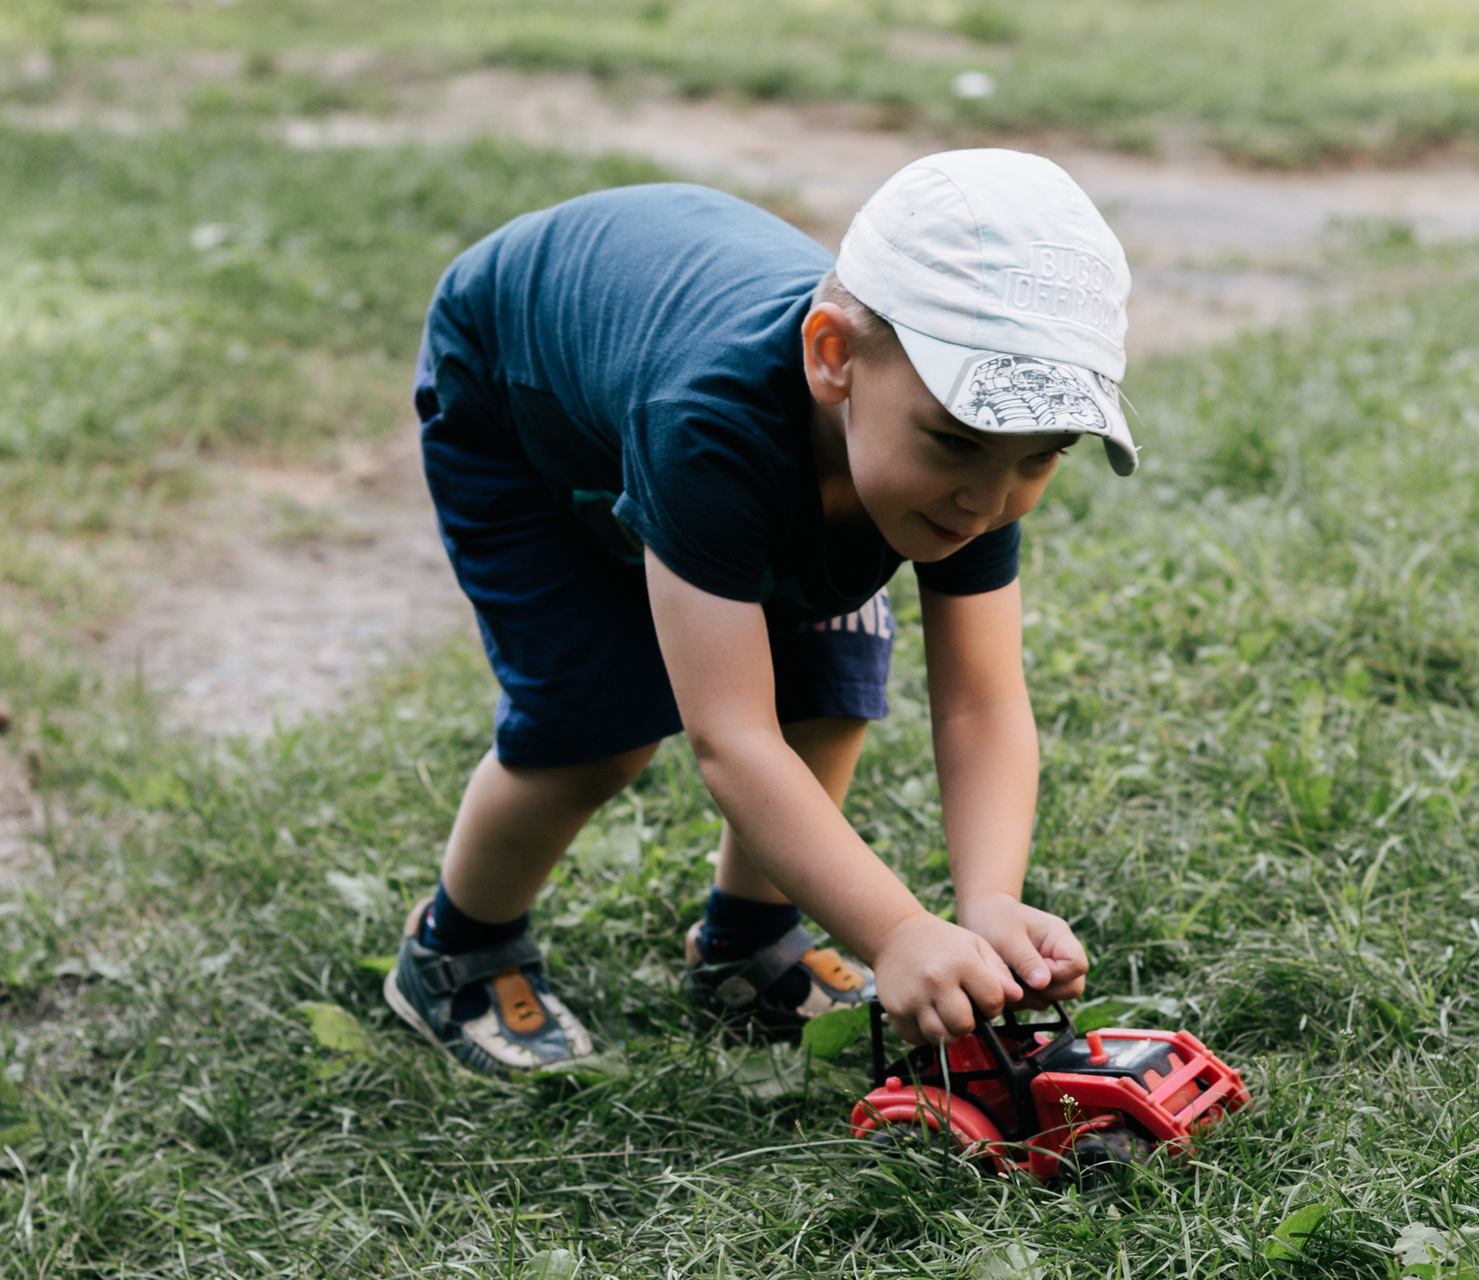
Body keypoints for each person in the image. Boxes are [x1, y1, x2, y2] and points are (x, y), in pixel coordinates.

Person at [385, 149, 1140, 1075]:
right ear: (835, 358)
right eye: (955, 442)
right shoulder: (708, 424)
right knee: (594, 725)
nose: (988, 499)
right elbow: (731, 740)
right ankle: (457, 948)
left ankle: (750, 942)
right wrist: (896, 931)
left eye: (1043, 455)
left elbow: (980, 702)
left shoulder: (977, 465)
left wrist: (990, 901)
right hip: (516, 388)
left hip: (691, 386)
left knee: (830, 679)